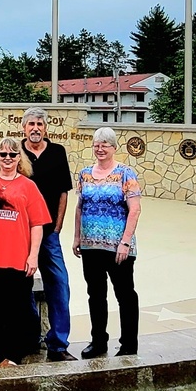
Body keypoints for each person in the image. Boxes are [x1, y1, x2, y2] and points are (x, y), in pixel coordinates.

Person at [73, 127, 142, 358]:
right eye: (96, 144)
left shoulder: (126, 174)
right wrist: (76, 237)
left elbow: (135, 209)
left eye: (105, 144)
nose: (100, 148)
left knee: (125, 294)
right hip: (91, 246)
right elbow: (80, 207)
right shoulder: (84, 174)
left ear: (114, 147)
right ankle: (98, 341)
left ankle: (128, 344)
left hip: (118, 248)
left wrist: (124, 242)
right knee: (96, 294)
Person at [0, 138, 50, 368]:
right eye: (3, 154)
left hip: (18, 257)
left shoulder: (28, 186)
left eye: (12, 155)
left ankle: (13, 353)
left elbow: (38, 224)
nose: (8, 159)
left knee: (16, 308)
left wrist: (33, 256)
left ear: (19, 157)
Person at [20, 107, 77, 362]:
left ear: (45, 128)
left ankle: (58, 344)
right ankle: (31, 336)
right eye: (31, 124)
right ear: (23, 128)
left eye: (39, 124)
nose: (35, 128)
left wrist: (58, 225)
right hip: (21, 233)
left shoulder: (57, 152)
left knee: (59, 284)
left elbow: (64, 192)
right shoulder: (16, 151)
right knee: (21, 286)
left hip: (49, 232)